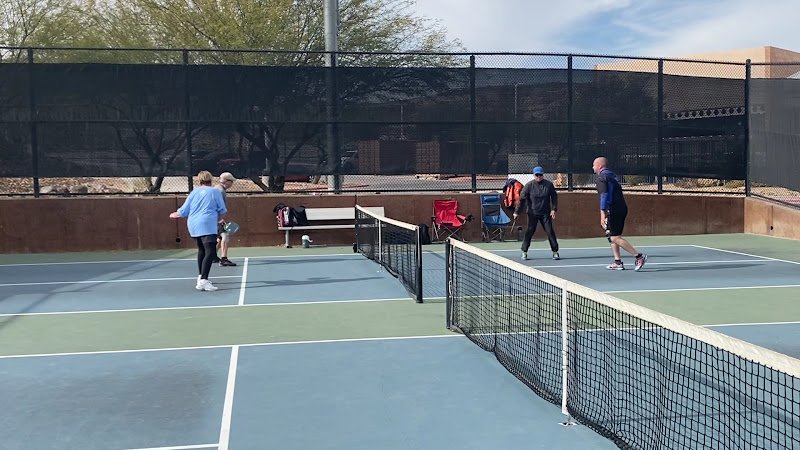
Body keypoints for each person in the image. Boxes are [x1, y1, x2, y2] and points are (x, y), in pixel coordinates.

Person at [169, 170, 227, 291]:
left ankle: (201, 277)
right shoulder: (215, 192)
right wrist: (219, 219)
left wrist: (177, 213)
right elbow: (222, 209)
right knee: (210, 252)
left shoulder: (193, 192)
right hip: (207, 224)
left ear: (199, 180)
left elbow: (184, 210)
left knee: (202, 250)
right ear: (210, 180)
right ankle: (204, 281)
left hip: (193, 225)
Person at [592, 156, 647, 271]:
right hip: (620, 208)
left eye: (594, 165)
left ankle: (639, 256)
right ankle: (618, 262)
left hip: (615, 209)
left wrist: (602, 213)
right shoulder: (612, 176)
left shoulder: (601, 178)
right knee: (611, 235)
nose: (592, 167)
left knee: (615, 237)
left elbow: (604, 195)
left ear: (600, 166)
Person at [513, 166, 560, 261]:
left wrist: (553, 209)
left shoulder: (549, 185)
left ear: (543, 175)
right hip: (532, 213)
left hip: (545, 214)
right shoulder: (528, 186)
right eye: (537, 175)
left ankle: (555, 252)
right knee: (530, 231)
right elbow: (522, 200)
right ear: (534, 175)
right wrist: (516, 212)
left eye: (540, 175)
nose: (539, 176)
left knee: (550, 231)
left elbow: (554, 197)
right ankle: (524, 252)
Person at [215, 172, 238, 267]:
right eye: (231, 181)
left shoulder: (218, 189)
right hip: (216, 218)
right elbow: (216, 205)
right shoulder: (220, 191)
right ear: (226, 181)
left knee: (219, 238)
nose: (232, 183)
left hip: (214, 218)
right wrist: (220, 219)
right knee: (225, 236)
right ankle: (224, 259)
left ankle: (212, 256)